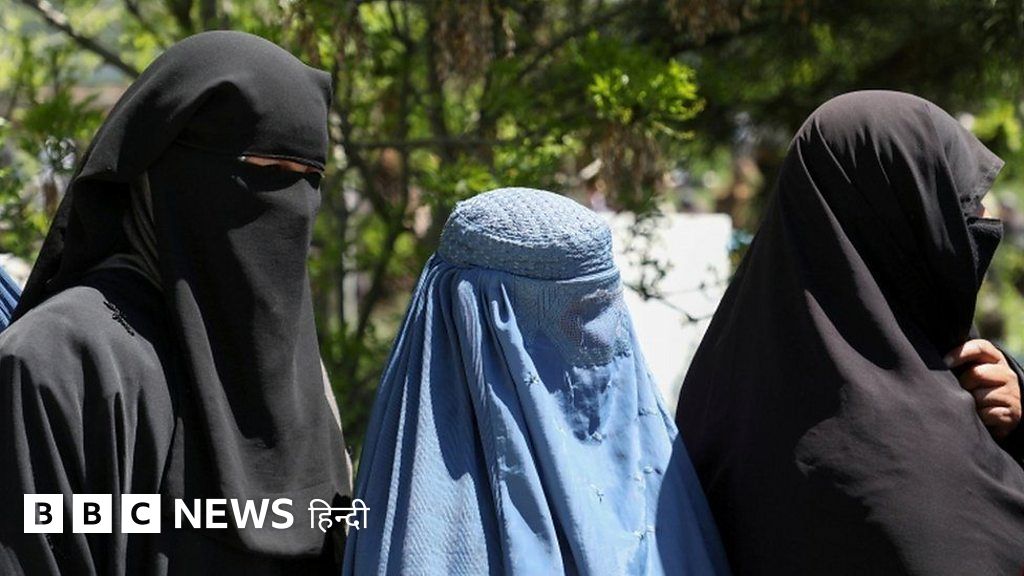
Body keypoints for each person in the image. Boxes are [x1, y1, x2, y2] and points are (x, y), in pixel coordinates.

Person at [0, 31, 352, 575]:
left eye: (308, 180)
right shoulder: (58, 363)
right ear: (165, 171)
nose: (290, 207)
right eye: (264, 172)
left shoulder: (294, 377)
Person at [675, 90, 1024, 575]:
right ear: (902, 225)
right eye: (960, 205)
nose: (984, 219)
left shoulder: (717, 390)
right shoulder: (916, 460)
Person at [344, 187, 730, 575]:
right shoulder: (431, 533)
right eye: (565, 320)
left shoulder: (657, 471)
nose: (593, 346)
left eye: (597, 316)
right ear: (475, 320)